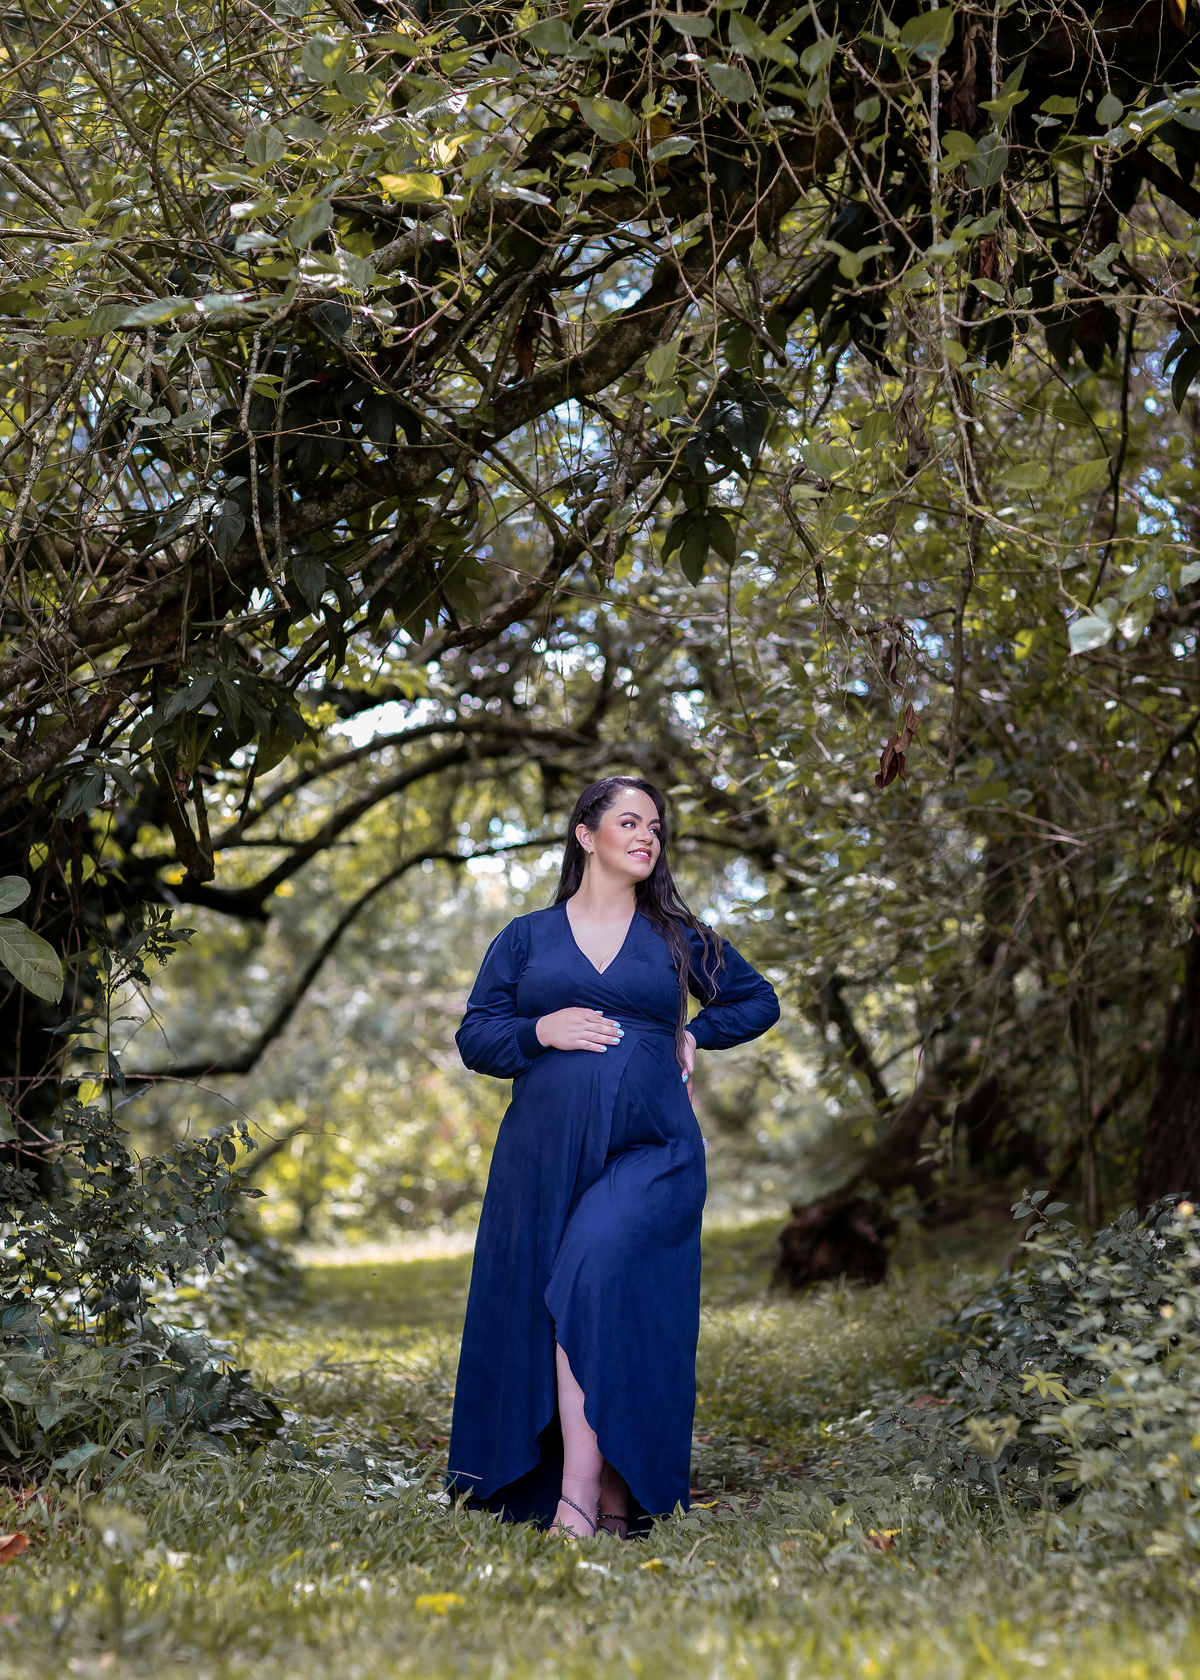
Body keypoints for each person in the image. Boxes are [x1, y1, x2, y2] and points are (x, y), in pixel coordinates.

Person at [446, 776, 780, 1538]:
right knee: (571, 1301)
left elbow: (757, 1000)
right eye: (630, 822)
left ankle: (578, 1501)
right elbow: (476, 1037)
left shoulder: (676, 937)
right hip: (542, 1159)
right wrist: (540, 1031)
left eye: (656, 827)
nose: (647, 837)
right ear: (585, 834)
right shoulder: (526, 938)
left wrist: (696, 1033)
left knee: (592, 1274)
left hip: (652, 1150)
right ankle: (610, 1503)